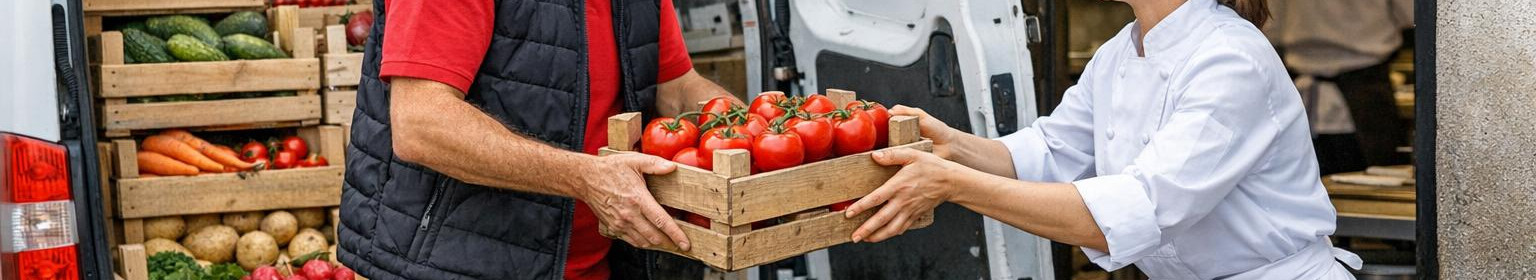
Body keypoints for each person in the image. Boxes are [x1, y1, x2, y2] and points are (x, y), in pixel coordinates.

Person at [845, 0, 1363, 278]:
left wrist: (952, 185)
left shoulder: (1230, 59)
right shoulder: (1122, 50)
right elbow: (1049, 152)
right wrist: (953, 146)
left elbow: (1134, 211)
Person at [335, 0, 739, 279]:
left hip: (595, 262)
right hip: (452, 263)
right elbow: (422, 124)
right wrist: (585, 178)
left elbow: (676, 85)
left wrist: (756, 135)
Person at [1267, 0, 1415, 175]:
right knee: (1378, 182)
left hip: (1328, 89)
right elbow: (1412, 14)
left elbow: (1270, 25)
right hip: (1361, 88)